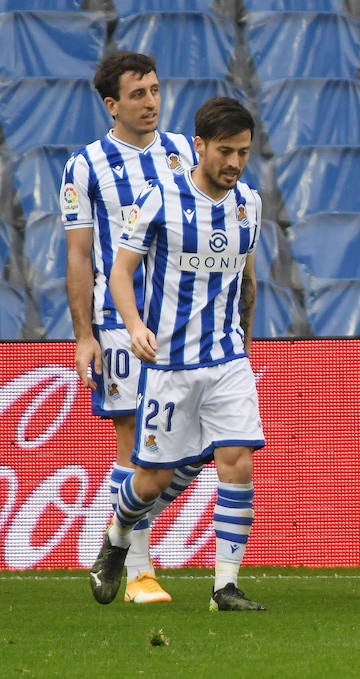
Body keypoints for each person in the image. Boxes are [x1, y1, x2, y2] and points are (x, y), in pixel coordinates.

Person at [89, 96, 265, 612]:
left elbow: (248, 281)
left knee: (237, 463)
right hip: (168, 365)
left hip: (227, 360)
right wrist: (135, 326)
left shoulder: (249, 204)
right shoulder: (159, 199)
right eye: (225, 151)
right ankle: (118, 537)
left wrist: (245, 348)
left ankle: (224, 587)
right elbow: (121, 272)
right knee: (153, 481)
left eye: (244, 153)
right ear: (200, 146)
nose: (234, 163)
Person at [64, 51, 203, 605]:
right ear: (111, 104)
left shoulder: (183, 151)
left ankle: (116, 534)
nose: (151, 101)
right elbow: (78, 257)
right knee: (135, 437)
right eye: (138, 93)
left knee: (199, 444)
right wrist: (83, 335)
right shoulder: (85, 165)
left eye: (155, 89)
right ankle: (139, 572)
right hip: (120, 322)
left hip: (185, 320)